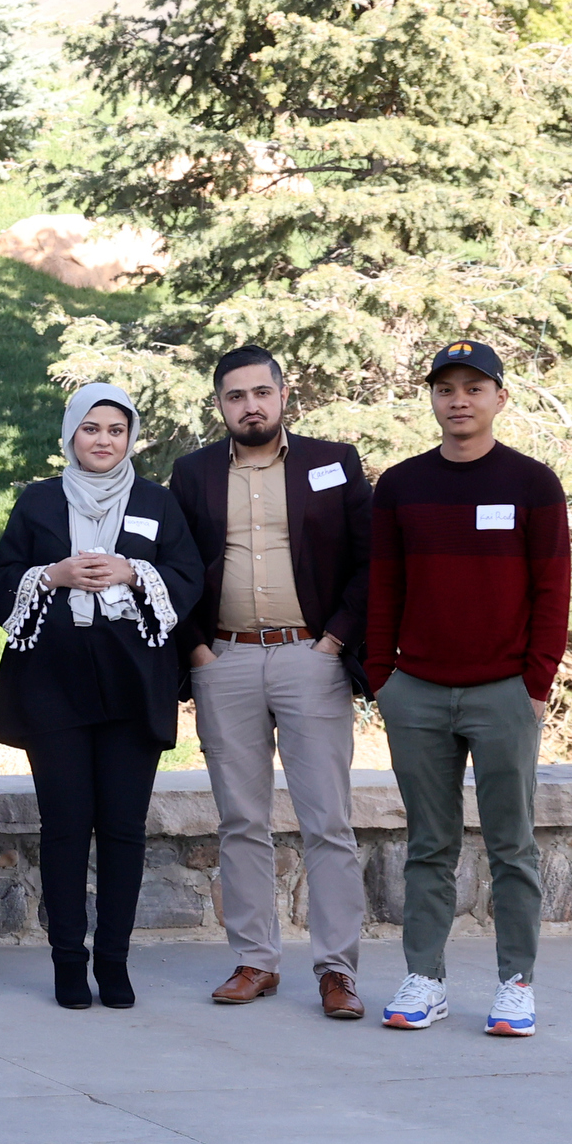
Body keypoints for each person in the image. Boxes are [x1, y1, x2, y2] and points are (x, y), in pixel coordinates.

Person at [167, 345, 375, 1019]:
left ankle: (337, 969)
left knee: (328, 822)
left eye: (261, 392)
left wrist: (334, 642)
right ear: (220, 405)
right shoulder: (192, 472)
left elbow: (371, 561)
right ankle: (255, 960)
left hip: (308, 658)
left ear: (284, 396)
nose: (250, 405)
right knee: (240, 821)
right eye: (236, 396)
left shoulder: (331, 463)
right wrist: (196, 651)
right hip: (223, 662)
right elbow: (172, 567)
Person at [368, 340, 569, 1037]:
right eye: (446, 388)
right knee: (429, 843)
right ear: (431, 398)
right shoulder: (399, 486)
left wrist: (536, 679)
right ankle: (426, 977)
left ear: (499, 399)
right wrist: (381, 677)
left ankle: (516, 982)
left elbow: (552, 589)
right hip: (415, 690)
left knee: (513, 845)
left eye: (473, 388)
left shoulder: (533, 484)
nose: (459, 399)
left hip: (504, 691)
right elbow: (383, 587)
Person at [0, 383, 203, 1010]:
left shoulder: (157, 503)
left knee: (122, 829)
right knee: (63, 828)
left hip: (134, 685)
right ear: (70, 434)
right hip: (54, 685)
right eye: (91, 428)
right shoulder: (39, 501)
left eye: (116, 429)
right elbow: (2, 581)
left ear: (131, 437)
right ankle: (66, 961)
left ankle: (113, 960)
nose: (104, 440)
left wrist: (134, 572)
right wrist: (52, 575)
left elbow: (190, 578)